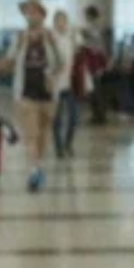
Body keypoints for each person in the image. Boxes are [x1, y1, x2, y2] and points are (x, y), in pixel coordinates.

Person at [0, 0, 64, 192]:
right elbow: (10, 59)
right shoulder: (20, 37)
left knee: (43, 136)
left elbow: (61, 63)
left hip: (48, 96)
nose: (30, 15)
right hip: (25, 94)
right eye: (27, 12)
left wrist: (53, 77)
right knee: (31, 135)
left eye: (34, 11)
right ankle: (34, 170)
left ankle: (37, 165)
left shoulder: (50, 37)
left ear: (42, 14)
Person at [51, 10, 78, 159]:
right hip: (55, 86)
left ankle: (68, 144)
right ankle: (59, 147)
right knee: (57, 119)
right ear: (54, 23)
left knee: (74, 118)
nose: (61, 23)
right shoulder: (51, 38)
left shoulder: (70, 37)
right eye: (58, 20)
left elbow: (76, 53)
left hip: (69, 84)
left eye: (64, 20)